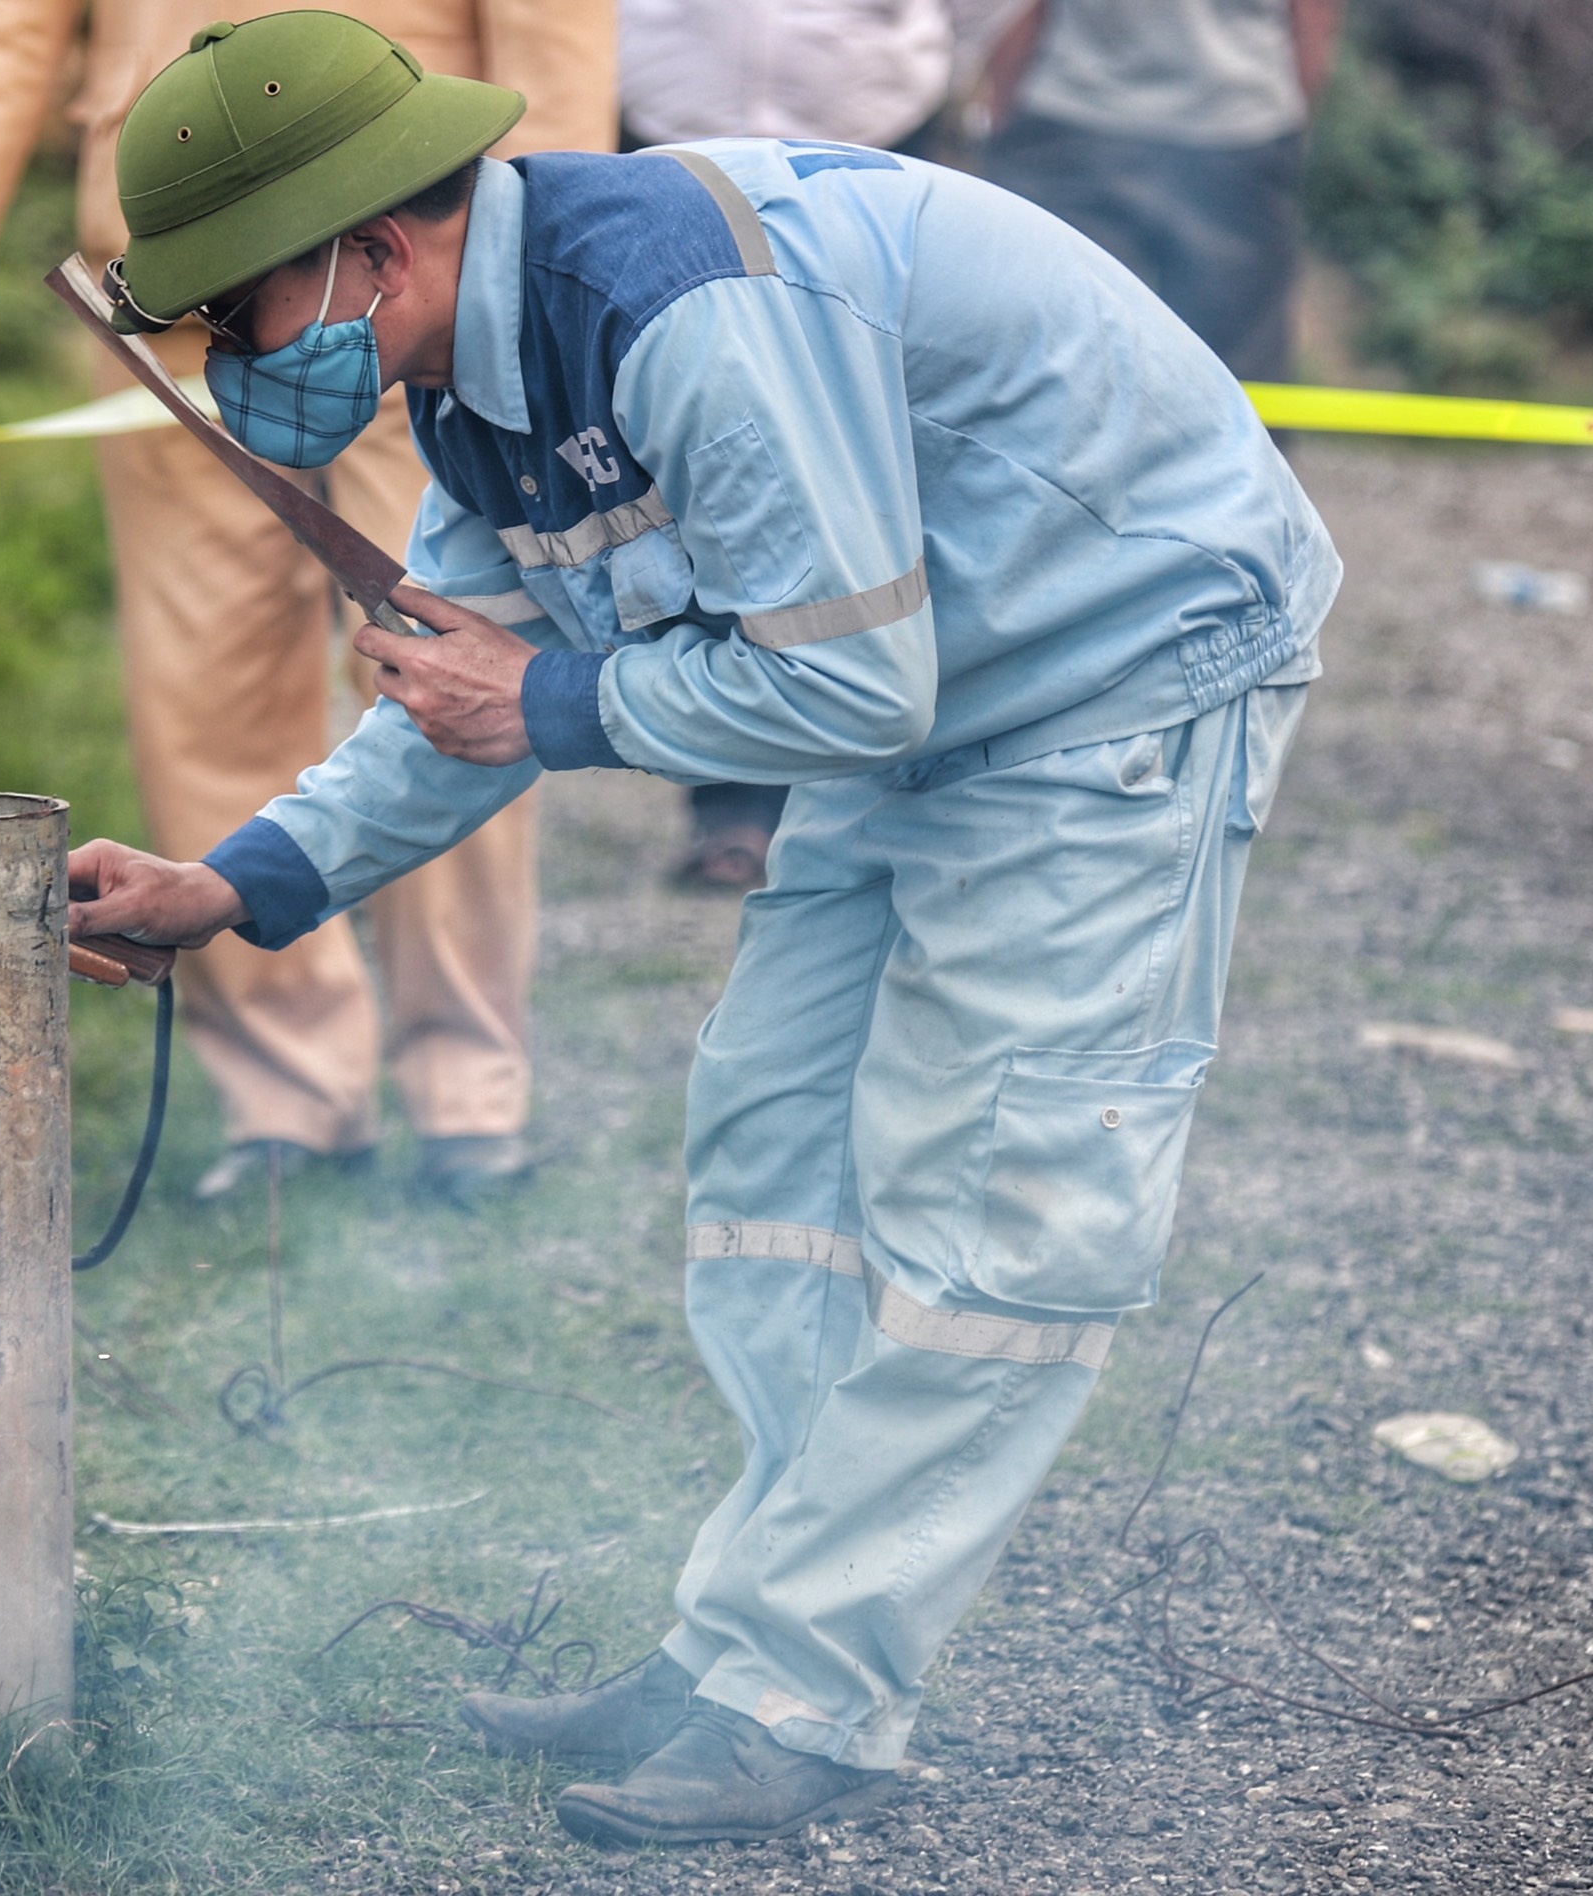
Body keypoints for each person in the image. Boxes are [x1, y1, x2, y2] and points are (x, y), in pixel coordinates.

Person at [70, 9, 1334, 1846]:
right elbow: (462, 687)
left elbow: (843, 686)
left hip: (1115, 665)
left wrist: (559, 707)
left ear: (373, 251)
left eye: (234, 316)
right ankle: (739, 1647)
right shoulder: (481, 375)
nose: (227, 361)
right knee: (778, 1157)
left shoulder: (676, 311)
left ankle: (813, 1700)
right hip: (933, 679)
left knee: (994, 1199)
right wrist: (242, 883)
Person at [0, 2, 616, 1201]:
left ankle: (469, 1095)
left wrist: (543, 236)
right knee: (205, 696)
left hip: (403, 262)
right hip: (171, 281)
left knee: (454, 675)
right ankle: (289, 1099)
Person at [618, 0, 957, 890]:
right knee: (683, 479)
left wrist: (914, 48)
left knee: (897, 463)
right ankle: (733, 800)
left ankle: (906, 774)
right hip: (664, 124)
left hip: (875, 124)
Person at [980, 0, 1343, 383]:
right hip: (1236, 122)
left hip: (1076, 114)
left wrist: (999, 109)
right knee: (1235, 373)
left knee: (1059, 357)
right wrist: (1289, 118)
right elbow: (1314, 13)